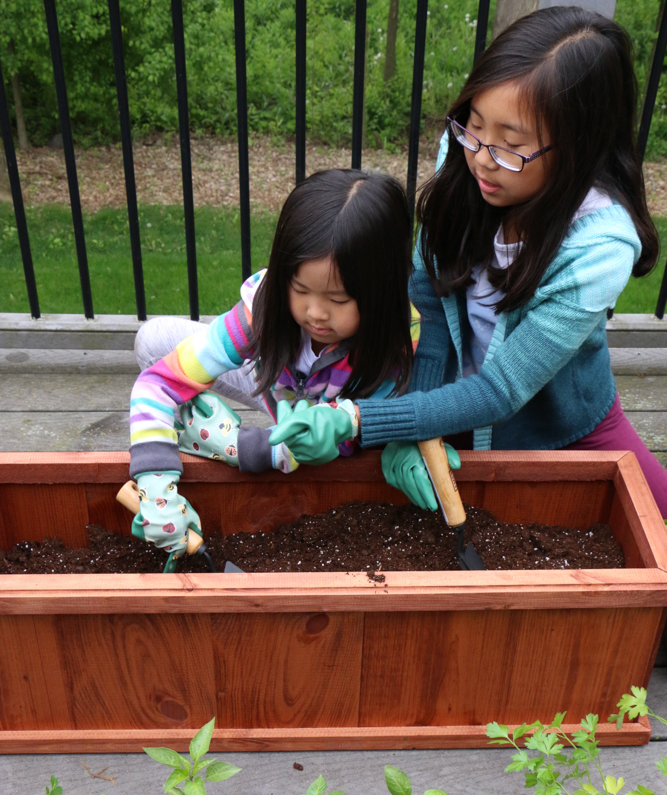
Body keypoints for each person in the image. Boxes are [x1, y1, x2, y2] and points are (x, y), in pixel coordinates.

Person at [270, 6, 667, 518]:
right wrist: (413, 424)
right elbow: (432, 306)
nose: (481, 156)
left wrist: (358, 419)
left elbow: (503, 389)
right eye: (474, 126)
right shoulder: (468, 156)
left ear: (577, 147)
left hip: (563, 422)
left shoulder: (599, 250)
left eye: (511, 145)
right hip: (450, 399)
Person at [129, 169, 418, 570]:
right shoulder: (265, 311)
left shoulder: (395, 346)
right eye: (300, 290)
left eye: (338, 298)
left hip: (329, 420)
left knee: (295, 445)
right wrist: (155, 487)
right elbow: (157, 385)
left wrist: (262, 450)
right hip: (274, 383)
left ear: (381, 293)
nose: (315, 313)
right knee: (154, 341)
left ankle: (235, 438)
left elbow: (357, 437)